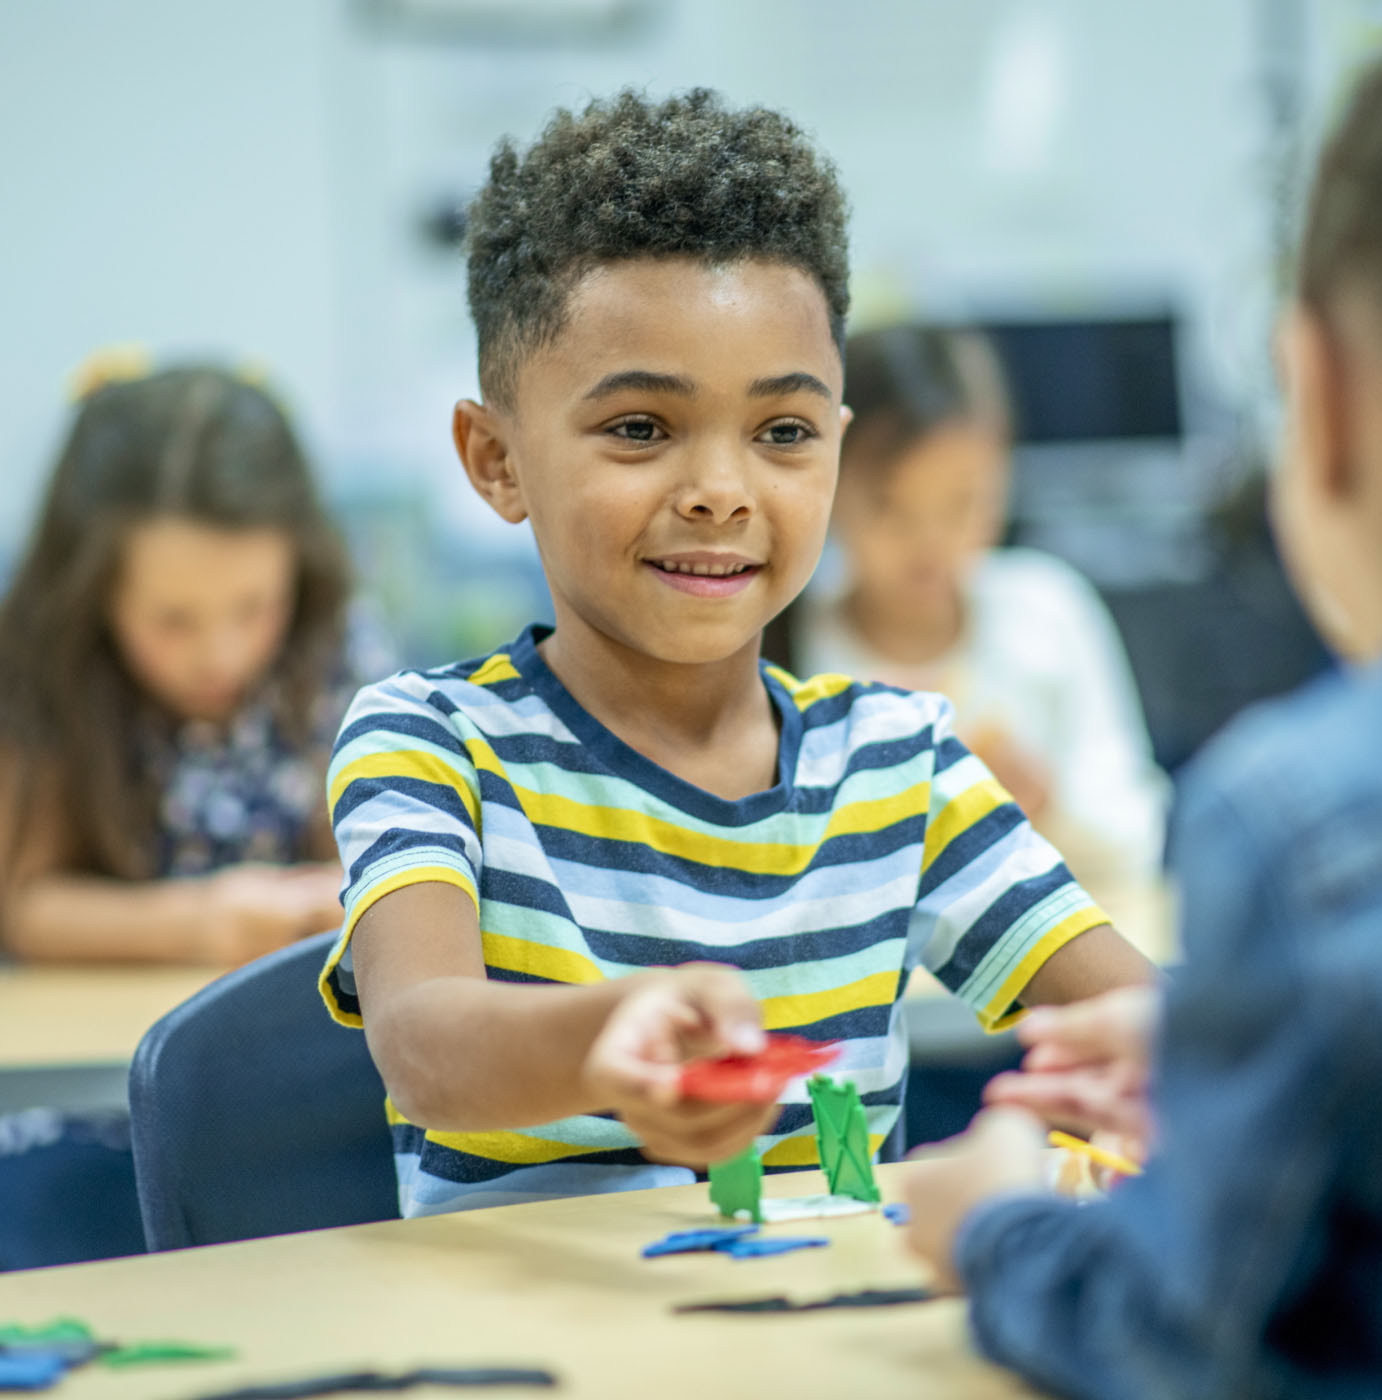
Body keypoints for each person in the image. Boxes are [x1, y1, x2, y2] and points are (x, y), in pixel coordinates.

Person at [320, 88, 1157, 1219]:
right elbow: (424, 1043)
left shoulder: (897, 761)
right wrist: (603, 1038)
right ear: (495, 457)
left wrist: (1172, 1053)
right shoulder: (432, 743)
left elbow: (1128, 1007)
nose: (721, 490)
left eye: (782, 433)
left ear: (835, 455)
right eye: (638, 428)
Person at [904, 45, 1382, 1400]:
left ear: (1325, 400)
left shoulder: (1306, 818)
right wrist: (1214, 1020)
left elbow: (1181, 1338)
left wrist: (1001, 1225)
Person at [0, 361, 378, 964]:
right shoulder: (43, 663)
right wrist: (197, 924)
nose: (221, 657)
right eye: (173, 621)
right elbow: (23, 906)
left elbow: (367, 855)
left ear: (299, 570)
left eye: (256, 608)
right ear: (92, 592)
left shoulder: (333, 644)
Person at [793, 323, 1166, 882]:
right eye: (890, 508)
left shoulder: (1046, 614)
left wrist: (1044, 802)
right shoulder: (790, 640)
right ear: (830, 483)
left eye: (964, 505)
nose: (931, 543)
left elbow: (1138, 836)